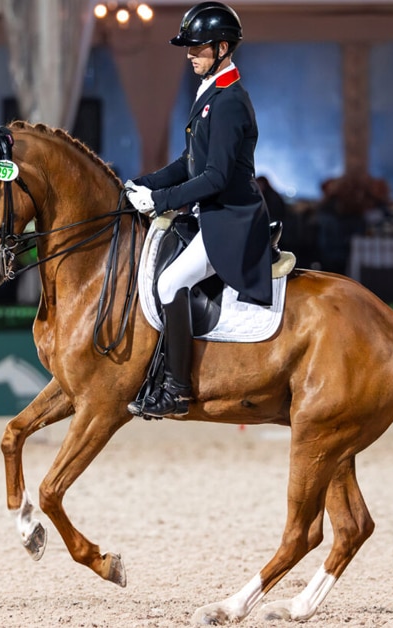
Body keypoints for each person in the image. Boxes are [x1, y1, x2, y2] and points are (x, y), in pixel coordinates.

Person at [123, 1, 273, 418]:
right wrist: (143, 183)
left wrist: (159, 202)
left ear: (222, 48)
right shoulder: (210, 92)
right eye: (189, 47)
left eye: (198, 47)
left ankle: (177, 389)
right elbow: (188, 162)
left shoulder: (229, 101)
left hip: (231, 218)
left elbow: (216, 177)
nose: (190, 54)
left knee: (170, 283)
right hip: (210, 212)